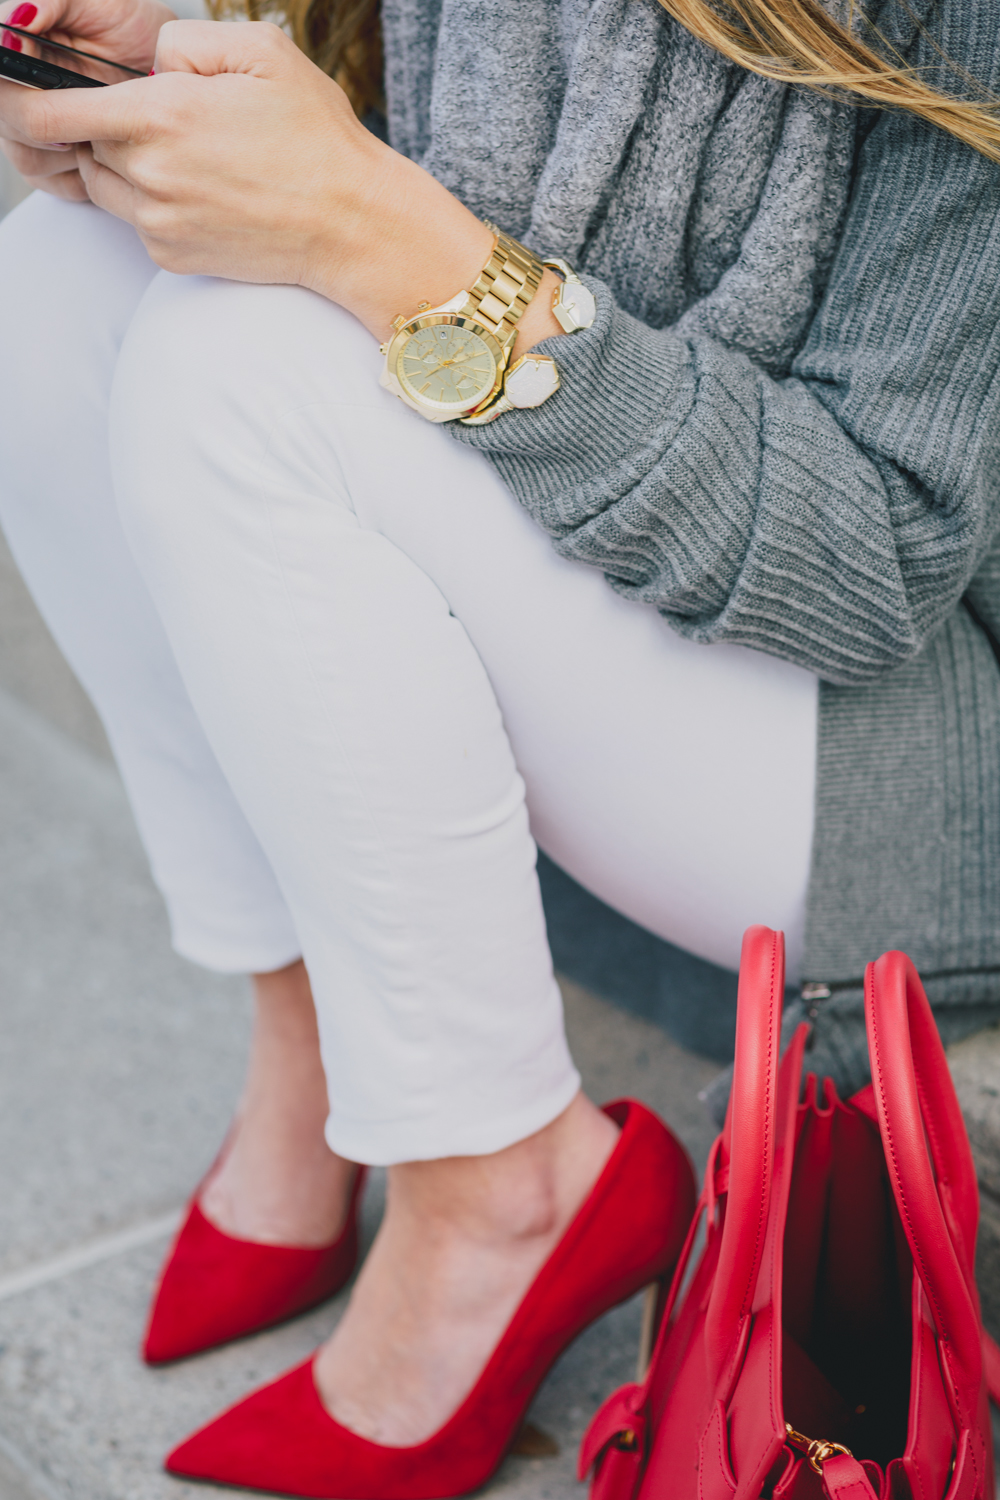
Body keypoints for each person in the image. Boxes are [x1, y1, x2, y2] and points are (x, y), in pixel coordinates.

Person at [0, 0, 998, 1492]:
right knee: (59, 277)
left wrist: (368, 222)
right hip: (630, 581)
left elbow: (873, 568)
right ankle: (320, 1039)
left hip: (903, 750)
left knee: (236, 370)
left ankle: (505, 1192)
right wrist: (189, 85)